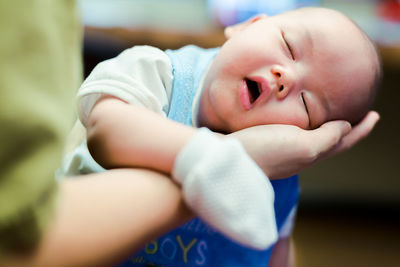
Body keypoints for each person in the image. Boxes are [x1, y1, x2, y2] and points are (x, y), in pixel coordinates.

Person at [58, 6, 381, 267]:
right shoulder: (158, 72)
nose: (286, 77)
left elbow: (275, 247)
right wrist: (221, 158)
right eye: (288, 46)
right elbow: (109, 131)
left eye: (307, 104)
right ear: (246, 26)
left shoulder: (280, 167)